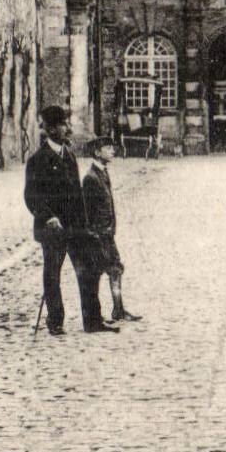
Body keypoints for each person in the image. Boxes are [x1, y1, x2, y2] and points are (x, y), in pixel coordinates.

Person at [23, 105, 118, 336]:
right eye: (63, 125)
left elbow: (77, 195)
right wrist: (48, 217)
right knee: (52, 275)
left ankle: (92, 321)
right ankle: (55, 321)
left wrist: (85, 226)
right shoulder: (37, 160)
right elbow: (31, 196)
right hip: (53, 229)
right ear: (51, 129)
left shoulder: (69, 156)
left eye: (66, 123)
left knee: (88, 270)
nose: (67, 128)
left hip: (75, 227)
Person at [82, 135, 142, 323]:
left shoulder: (102, 173)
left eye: (112, 147)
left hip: (107, 233)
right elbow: (87, 210)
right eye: (107, 148)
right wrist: (94, 234)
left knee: (115, 268)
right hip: (99, 235)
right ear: (97, 152)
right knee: (100, 271)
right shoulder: (90, 178)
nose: (112, 151)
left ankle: (118, 309)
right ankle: (96, 314)